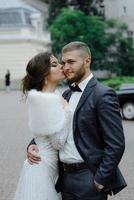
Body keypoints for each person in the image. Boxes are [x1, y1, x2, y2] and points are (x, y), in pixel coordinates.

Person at [27, 42, 127, 200]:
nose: (65, 67)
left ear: (87, 61)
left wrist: (100, 180)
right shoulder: (65, 94)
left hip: (89, 179)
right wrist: (33, 143)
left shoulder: (103, 95)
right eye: (63, 62)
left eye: (71, 62)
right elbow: (52, 126)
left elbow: (116, 143)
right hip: (64, 179)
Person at [14, 52, 71, 200]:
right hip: (42, 168)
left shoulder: (52, 96)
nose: (61, 66)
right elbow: (57, 143)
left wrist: (31, 145)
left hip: (46, 165)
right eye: (54, 65)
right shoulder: (46, 101)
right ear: (44, 75)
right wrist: (67, 112)